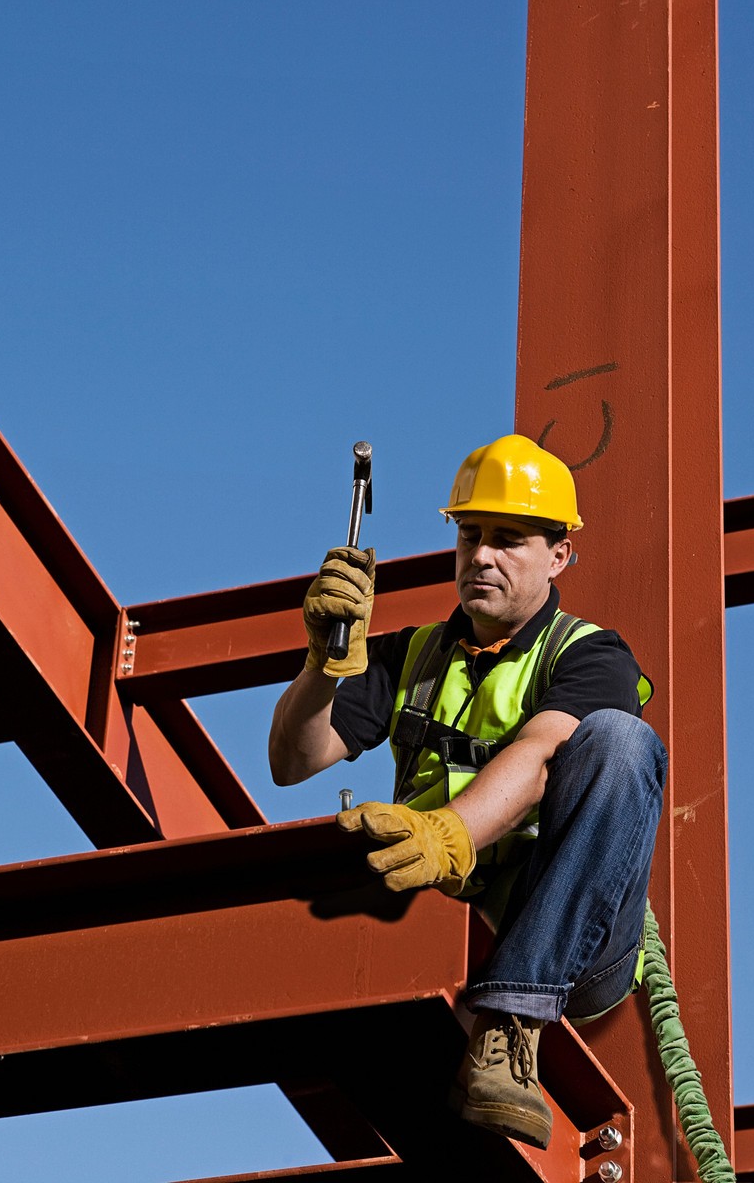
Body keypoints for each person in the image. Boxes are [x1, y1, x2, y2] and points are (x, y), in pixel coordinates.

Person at [268, 434, 668, 1149]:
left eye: (509, 540)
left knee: (620, 741)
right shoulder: (410, 656)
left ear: (559, 555)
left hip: (572, 945)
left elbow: (546, 750)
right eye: (471, 535)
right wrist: (322, 665)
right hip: (442, 916)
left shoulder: (590, 654)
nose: (481, 556)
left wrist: (446, 832)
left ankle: (513, 1021)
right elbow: (293, 760)